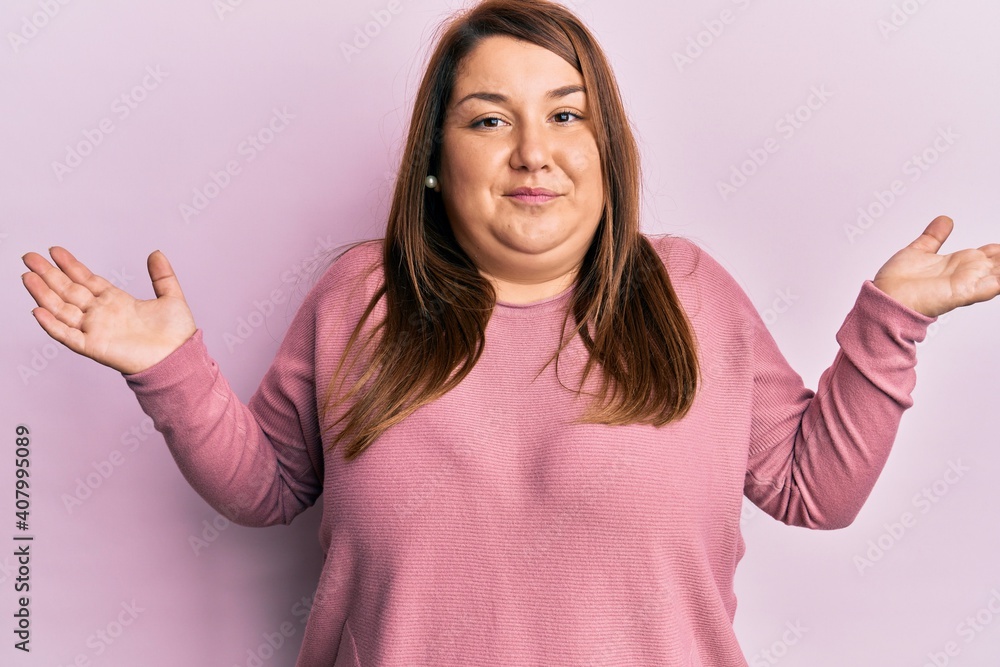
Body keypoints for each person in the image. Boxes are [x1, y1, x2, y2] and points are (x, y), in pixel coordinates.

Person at [19, 0, 1000, 664]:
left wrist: (892, 321)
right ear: (435, 161)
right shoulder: (359, 298)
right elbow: (272, 486)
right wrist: (168, 371)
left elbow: (810, 489)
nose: (534, 151)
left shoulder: (691, 292)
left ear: (604, 148)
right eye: (488, 121)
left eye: (565, 116)